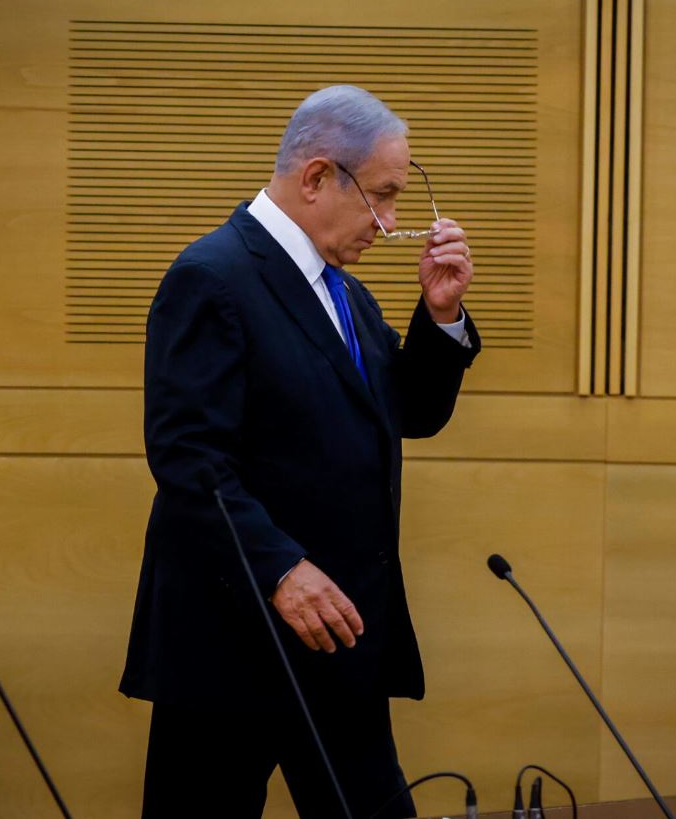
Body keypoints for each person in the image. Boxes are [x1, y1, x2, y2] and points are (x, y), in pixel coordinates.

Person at [120, 85, 480, 818]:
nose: (391, 224)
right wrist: (281, 568)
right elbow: (189, 459)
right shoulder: (211, 277)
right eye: (382, 196)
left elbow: (408, 414)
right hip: (231, 643)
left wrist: (440, 315)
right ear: (317, 177)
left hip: (337, 636)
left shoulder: (343, 292)